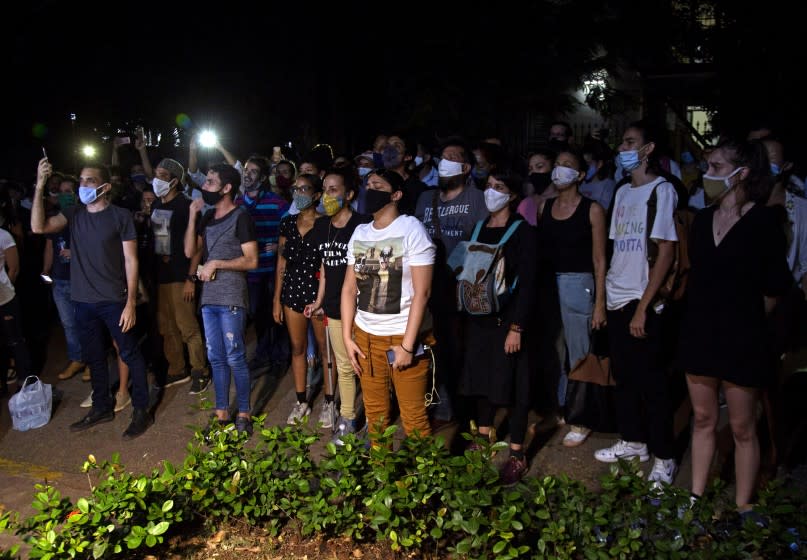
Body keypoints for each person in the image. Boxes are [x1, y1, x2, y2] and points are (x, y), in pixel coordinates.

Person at [680, 137, 790, 511]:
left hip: (743, 338)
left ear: (742, 174)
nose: (707, 175)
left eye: (716, 169)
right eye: (708, 167)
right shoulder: (703, 220)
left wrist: (743, 320)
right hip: (700, 333)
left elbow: (774, 289)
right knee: (704, 417)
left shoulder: (763, 221)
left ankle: (744, 506)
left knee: (743, 427)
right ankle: (694, 498)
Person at [31, 158, 152, 439]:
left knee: (130, 353)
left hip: (114, 301)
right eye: (81, 180)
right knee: (95, 357)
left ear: (105, 186)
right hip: (82, 302)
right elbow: (39, 227)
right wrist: (39, 185)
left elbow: (131, 261)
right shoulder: (73, 214)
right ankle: (101, 407)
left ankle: (142, 410)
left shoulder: (121, 216)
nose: (82, 185)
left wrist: (131, 302)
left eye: (89, 181)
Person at [594, 121, 679, 486]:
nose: (622, 148)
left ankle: (665, 456)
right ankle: (633, 441)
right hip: (616, 297)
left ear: (648, 149)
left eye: (630, 142)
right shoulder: (623, 192)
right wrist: (603, 300)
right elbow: (615, 248)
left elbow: (666, 253)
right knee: (624, 378)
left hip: (641, 299)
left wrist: (645, 306)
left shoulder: (663, 191)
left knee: (653, 383)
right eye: (621, 142)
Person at [342, 168, 435, 440]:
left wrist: (407, 345)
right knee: (375, 415)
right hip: (365, 338)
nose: (368, 190)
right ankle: (382, 475)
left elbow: (423, 292)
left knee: (414, 417)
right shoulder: (360, 231)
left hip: (401, 337)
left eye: (377, 185)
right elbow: (349, 289)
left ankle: (425, 480)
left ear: (395, 194)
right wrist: (348, 337)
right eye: (367, 184)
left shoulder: (411, 229)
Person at [458, 169, 537, 484]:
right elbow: (461, 266)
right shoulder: (478, 227)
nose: (491, 192)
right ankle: (484, 437)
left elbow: (530, 284)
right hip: (479, 319)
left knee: (516, 387)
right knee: (481, 381)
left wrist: (517, 327)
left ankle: (517, 453)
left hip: (508, 322)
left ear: (513, 194)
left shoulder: (524, 232)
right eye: (488, 186)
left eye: (499, 186)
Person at [536, 149, 607, 447]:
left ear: (580, 175)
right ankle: (564, 407)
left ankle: (582, 417)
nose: (559, 169)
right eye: (557, 163)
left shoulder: (592, 209)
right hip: (550, 286)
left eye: (568, 165)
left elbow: (600, 259)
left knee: (579, 351)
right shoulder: (544, 207)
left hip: (580, 284)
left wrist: (600, 302)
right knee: (556, 351)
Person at [184, 163, 258, 435]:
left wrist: (217, 263)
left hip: (231, 298)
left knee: (235, 356)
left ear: (227, 188)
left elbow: (251, 260)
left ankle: (244, 413)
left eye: (211, 183)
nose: (205, 187)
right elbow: (190, 250)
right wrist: (192, 216)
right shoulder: (207, 217)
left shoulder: (241, 216)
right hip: (209, 298)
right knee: (215, 357)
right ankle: (221, 412)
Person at [305, 168, 371, 441]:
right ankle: (346, 417)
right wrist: (319, 301)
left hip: (361, 308)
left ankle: (373, 416)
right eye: (325, 189)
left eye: (334, 189)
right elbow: (323, 266)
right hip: (333, 308)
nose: (327, 195)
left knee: (366, 367)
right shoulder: (322, 226)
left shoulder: (363, 224)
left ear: (349, 194)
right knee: (343, 366)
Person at [273, 174, 328, 425]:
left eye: (305, 188)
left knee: (325, 349)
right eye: (296, 189)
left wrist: (325, 298)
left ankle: (329, 401)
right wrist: (277, 299)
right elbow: (281, 264)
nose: (299, 193)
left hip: (319, 294)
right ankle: (301, 401)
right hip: (292, 292)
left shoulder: (327, 224)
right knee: (297, 348)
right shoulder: (287, 224)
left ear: (317, 195)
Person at [150, 158, 208, 392]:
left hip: (180, 276)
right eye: (156, 173)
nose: (157, 179)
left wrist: (190, 278)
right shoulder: (157, 204)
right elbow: (159, 240)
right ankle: (177, 369)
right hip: (161, 276)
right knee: (166, 327)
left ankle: (199, 371)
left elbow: (198, 246)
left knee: (187, 326)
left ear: (175, 180)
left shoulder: (186, 207)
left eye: (162, 175)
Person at [235, 156, 290, 375]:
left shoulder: (278, 203)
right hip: (250, 273)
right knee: (257, 315)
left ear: (264, 177)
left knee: (275, 315)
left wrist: (278, 245)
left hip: (273, 271)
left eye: (253, 171)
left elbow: (291, 232)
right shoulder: (238, 204)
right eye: (246, 170)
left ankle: (279, 357)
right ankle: (263, 354)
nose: (247, 174)